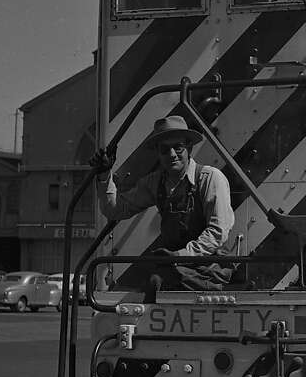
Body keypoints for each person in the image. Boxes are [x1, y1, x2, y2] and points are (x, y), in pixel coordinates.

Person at [89, 114, 234, 299]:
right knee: (154, 282)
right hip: (175, 270)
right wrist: (104, 175)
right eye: (165, 149)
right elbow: (115, 209)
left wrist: (180, 256)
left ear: (189, 148)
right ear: (158, 153)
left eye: (178, 147)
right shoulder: (154, 183)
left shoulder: (210, 178)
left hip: (210, 269)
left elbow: (218, 231)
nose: (172, 154)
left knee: (157, 282)